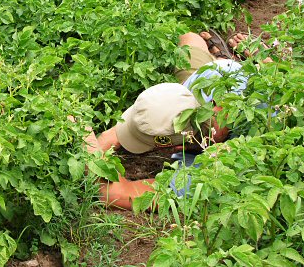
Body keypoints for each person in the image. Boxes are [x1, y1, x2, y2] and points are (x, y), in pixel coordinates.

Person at [83, 31, 269, 210]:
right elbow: (115, 134)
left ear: (173, 146)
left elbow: (110, 193)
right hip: (217, 74)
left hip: (238, 81)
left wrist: (82, 133)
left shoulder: (202, 173)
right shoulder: (192, 90)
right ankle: (223, 57)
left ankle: (244, 59)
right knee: (190, 38)